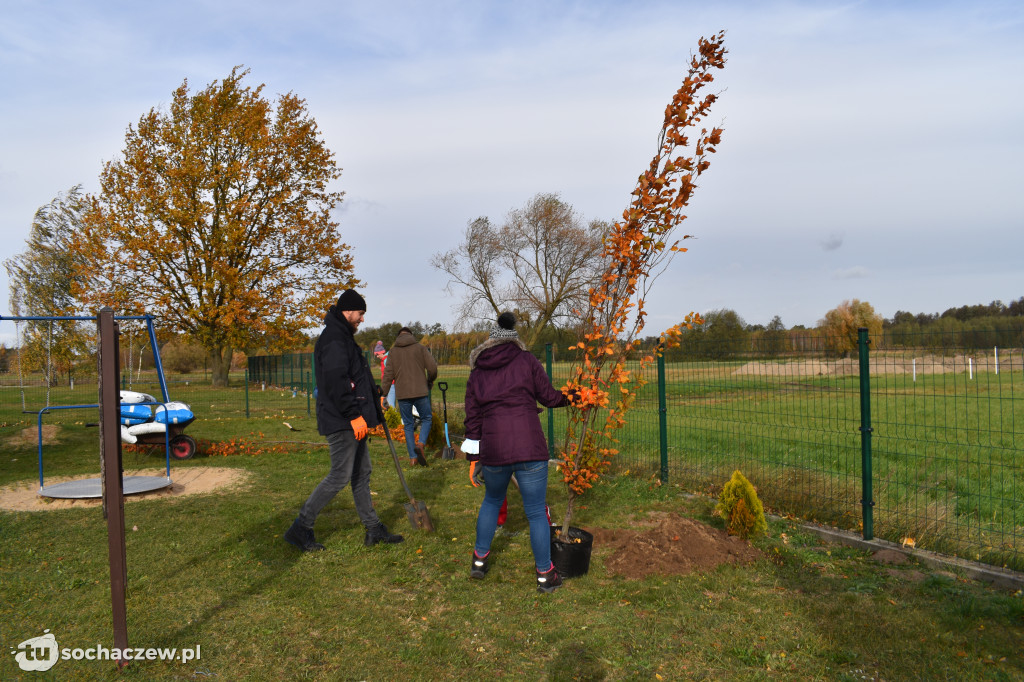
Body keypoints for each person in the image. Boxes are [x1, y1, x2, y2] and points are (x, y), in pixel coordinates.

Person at [284, 289, 404, 552]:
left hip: (353, 418)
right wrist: (354, 416)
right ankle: (301, 527)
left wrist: (375, 399)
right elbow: (337, 383)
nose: (362, 319)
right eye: (360, 314)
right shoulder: (335, 340)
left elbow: (355, 377)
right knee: (339, 476)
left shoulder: (343, 337)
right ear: (348, 311)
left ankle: (373, 530)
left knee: (361, 474)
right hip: (343, 420)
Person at [462, 312, 569, 593]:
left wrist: (474, 457)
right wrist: (573, 397)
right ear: (515, 340)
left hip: (494, 448)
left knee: (492, 501)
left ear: (490, 342)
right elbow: (549, 397)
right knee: (535, 511)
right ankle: (545, 574)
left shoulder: (477, 371)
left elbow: (472, 418)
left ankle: (479, 561)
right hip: (529, 445)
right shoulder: (527, 360)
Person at [381, 327, 437, 467]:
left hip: (403, 394)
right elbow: (432, 368)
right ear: (411, 335)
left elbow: (388, 376)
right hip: (420, 392)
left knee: (408, 425)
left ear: (398, 337)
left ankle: (413, 458)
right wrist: (429, 380)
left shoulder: (393, 352)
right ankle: (421, 444)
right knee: (426, 418)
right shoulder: (420, 348)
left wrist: (383, 394)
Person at [373, 340, 396, 409]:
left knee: (390, 404)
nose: (377, 356)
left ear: (382, 352)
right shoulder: (383, 360)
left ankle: (393, 418)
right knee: (387, 404)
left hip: (391, 384)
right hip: (387, 384)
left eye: (377, 354)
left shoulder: (387, 360)